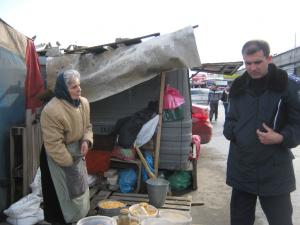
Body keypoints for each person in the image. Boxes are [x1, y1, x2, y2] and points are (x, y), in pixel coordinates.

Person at [223, 40, 300, 225]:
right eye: (248, 63)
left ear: (269, 58)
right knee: (240, 221)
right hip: (242, 166)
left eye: (257, 62)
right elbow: (231, 119)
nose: (252, 68)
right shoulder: (238, 86)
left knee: (281, 220)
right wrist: (233, 132)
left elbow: (297, 123)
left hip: (274, 169)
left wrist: (281, 137)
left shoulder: (287, 85)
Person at [40, 69, 93, 224]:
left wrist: (86, 141)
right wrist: (70, 163)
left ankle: (79, 218)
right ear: (64, 89)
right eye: (74, 87)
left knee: (79, 189)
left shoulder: (83, 103)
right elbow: (54, 144)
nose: (79, 89)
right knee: (59, 195)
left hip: (76, 152)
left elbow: (88, 127)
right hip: (57, 155)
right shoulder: (51, 110)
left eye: (79, 85)